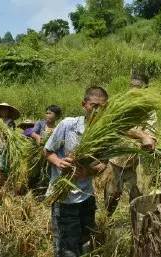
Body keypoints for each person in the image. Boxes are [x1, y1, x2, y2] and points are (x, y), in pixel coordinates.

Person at [44, 87, 108, 257]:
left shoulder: (104, 133)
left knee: (85, 241)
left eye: (102, 107)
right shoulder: (68, 125)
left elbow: (103, 164)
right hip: (65, 198)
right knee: (67, 248)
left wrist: (88, 171)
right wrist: (59, 162)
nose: (97, 110)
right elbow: (48, 151)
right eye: (93, 105)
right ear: (83, 104)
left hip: (87, 196)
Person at [104, 72, 157, 217]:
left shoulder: (149, 111)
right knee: (110, 199)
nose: (134, 90)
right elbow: (116, 126)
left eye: (138, 87)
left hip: (137, 164)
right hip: (116, 160)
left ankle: (137, 234)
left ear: (145, 89)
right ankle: (103, 227)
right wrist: (142, 135)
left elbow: (151, 135)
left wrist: (149, 140)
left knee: (138, 203)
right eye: (132, 86)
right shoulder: (120, 106)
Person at [0, 103, 21, 183]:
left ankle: (0, 187)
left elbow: (11, 136)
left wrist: (4, 130)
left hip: (4, 148)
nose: (4, 111)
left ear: (8, 112)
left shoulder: (10, 122)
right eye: (2, 110)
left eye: (5, 110)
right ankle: (0, 188)